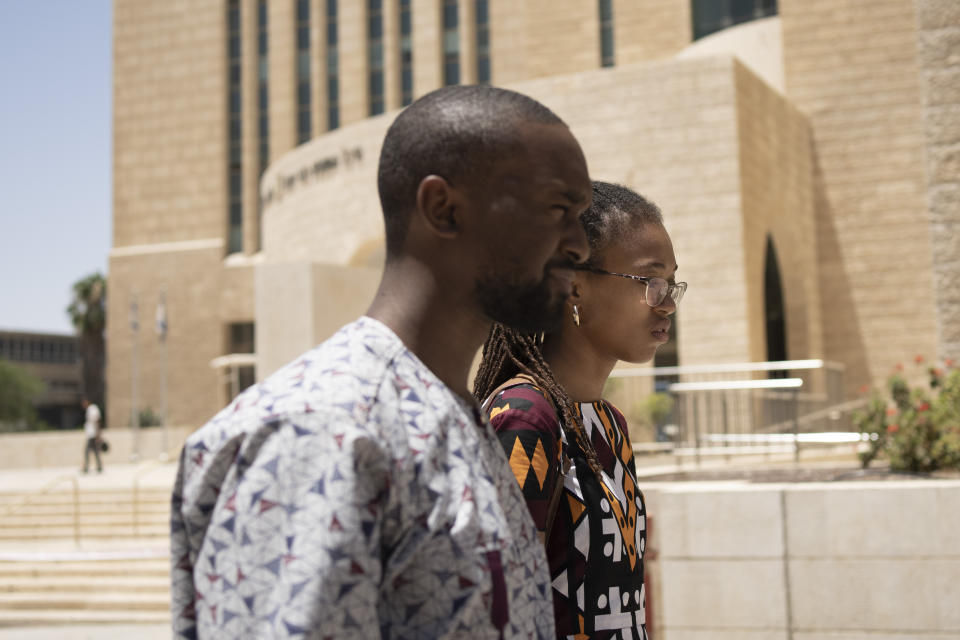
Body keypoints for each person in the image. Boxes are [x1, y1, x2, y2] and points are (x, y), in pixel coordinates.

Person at [170, 85, 594, 639]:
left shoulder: (453, 416)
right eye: (558, 209)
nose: (581, 244)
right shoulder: (322, 431)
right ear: (443, 209)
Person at [474, 182, 685, 640]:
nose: (667, 302)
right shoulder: (525, 418)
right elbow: (495, 605)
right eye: (649, 281)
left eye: (671, 282)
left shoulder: (608, 425)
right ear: (573, 286)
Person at [80, 397, 103, 473]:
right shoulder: (90, 409)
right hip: (91, 434)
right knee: (95, 451)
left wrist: (97, 434)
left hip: (93, 434)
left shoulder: (92, 409)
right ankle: (99, 466)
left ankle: (86, 467)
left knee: (87, 451)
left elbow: (97, 421)